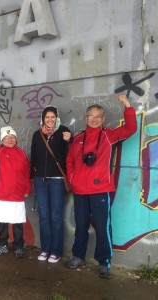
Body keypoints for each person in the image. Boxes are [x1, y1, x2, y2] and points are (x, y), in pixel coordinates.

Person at [65, 95, 137, 279]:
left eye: (98, 116)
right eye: (91, 116)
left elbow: (131, 128)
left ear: (103, 119)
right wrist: (73, 178)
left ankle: (104, 262)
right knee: (81, 225)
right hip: (80, 190)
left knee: (103, 227)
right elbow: (70, 160)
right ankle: (78, 256)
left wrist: (127, 106)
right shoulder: (78, 138)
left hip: (101, 190)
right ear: (85, 118)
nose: (94, 119)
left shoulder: (108, 135)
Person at [30, 106, 72, 263]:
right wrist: (32, 177)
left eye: (52, 117)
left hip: (57, 181)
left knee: (55, 216)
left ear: (57, 117)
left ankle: (56, 251)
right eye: (47, 117)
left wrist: (70, 138)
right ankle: (45, 249)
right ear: (43, 118)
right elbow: (33, 155)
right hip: (40, 180)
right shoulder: (37, 134)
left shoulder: (63, 131)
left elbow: (72, 150)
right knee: (44, 216)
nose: (50, 120)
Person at [0, 126, 31, 258]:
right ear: (2, 140)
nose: (10, 140)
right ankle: (2, 244)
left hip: (17, 195)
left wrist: (27, 189)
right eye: (6, 137)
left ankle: (18, 246)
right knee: (2, 222)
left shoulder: (22, 154)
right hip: (2, 195)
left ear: (16, 139)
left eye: (12, 137)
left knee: (17, 223)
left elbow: (27, 174)